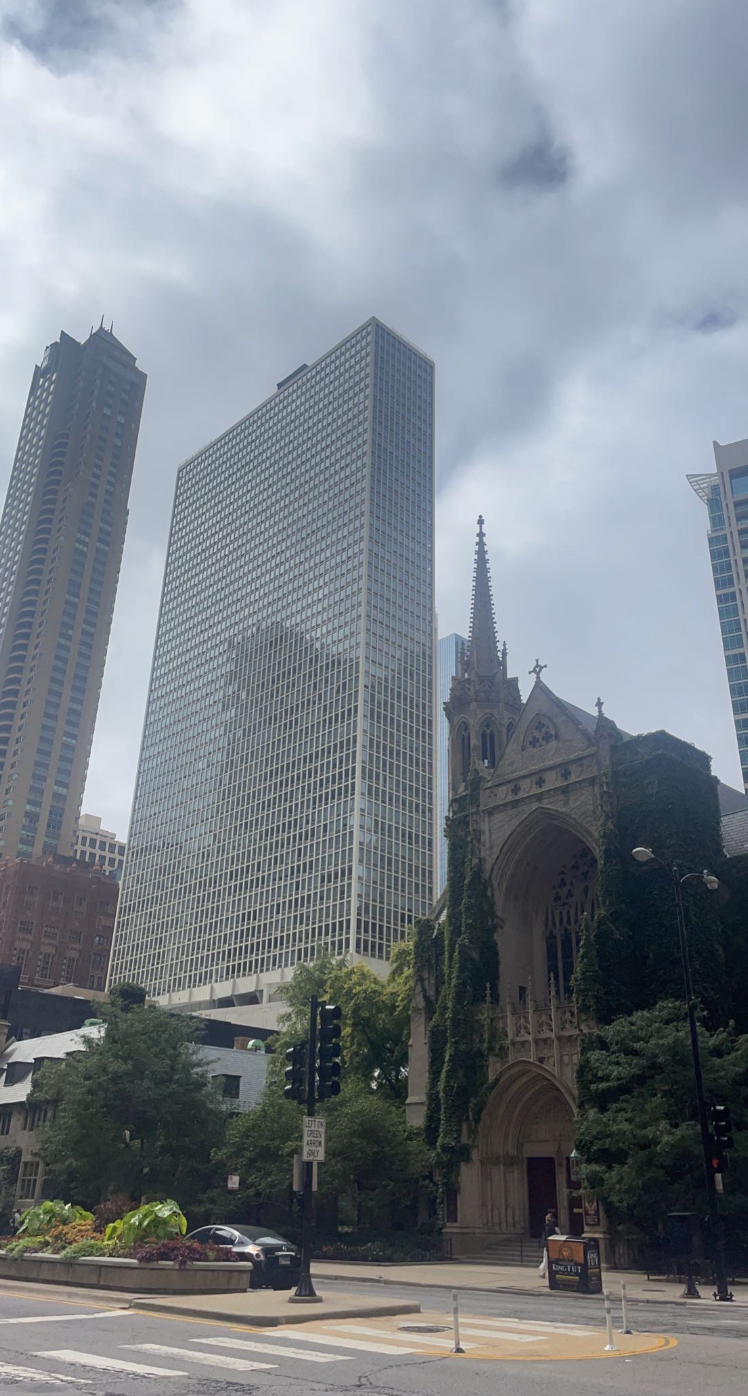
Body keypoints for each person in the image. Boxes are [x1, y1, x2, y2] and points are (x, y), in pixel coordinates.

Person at [538, 1209, 559, 1278]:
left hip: (549, 1245)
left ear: (550, 1217)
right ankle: (544, 1273)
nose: (546, 1217)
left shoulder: (550, 1226)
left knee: (546, 1259)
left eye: (547, 1216)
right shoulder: (550, 1225)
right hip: (549, 1244)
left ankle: (544, 1273)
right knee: (547, 1259)